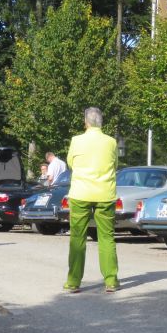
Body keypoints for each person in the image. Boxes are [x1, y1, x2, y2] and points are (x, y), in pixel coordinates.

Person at [64, 107, 120, 293]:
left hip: (80, 193)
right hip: (105, 194)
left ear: (85, 122)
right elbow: (115, 164)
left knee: (77, 238)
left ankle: (73, 282)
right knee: (107, 238)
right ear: (101, 122)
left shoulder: (76, 140)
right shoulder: (111, 142)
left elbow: (71, 163)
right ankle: (111, 281)